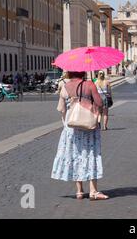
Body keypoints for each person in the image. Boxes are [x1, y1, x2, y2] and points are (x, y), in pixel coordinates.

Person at [51, 71, 108, 201]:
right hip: (88, 127)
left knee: (75, 156)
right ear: (83, 72)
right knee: (90, 155)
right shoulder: (89, 85)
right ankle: (93, 191)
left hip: (70, 128)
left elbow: (61, 109)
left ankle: (79, 191)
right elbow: (100, 103)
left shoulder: (65, 87)